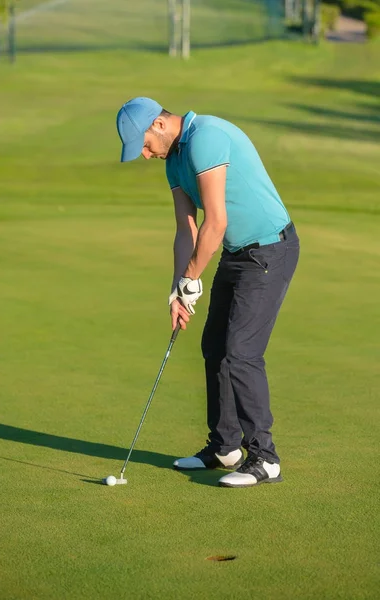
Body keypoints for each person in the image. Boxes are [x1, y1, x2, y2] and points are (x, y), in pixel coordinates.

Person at [116, 97, 300, 488]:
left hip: (270, 248)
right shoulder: (174, 161)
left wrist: (193, 277)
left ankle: (265, 458)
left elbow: (216, 222)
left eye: (145, 145)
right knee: (214, 347)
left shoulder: (207, 137)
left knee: (241, 352)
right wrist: (178, 288)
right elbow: (188, 232)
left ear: (160, 125)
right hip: (238, 253)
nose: (146, 155)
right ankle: (225, 447)